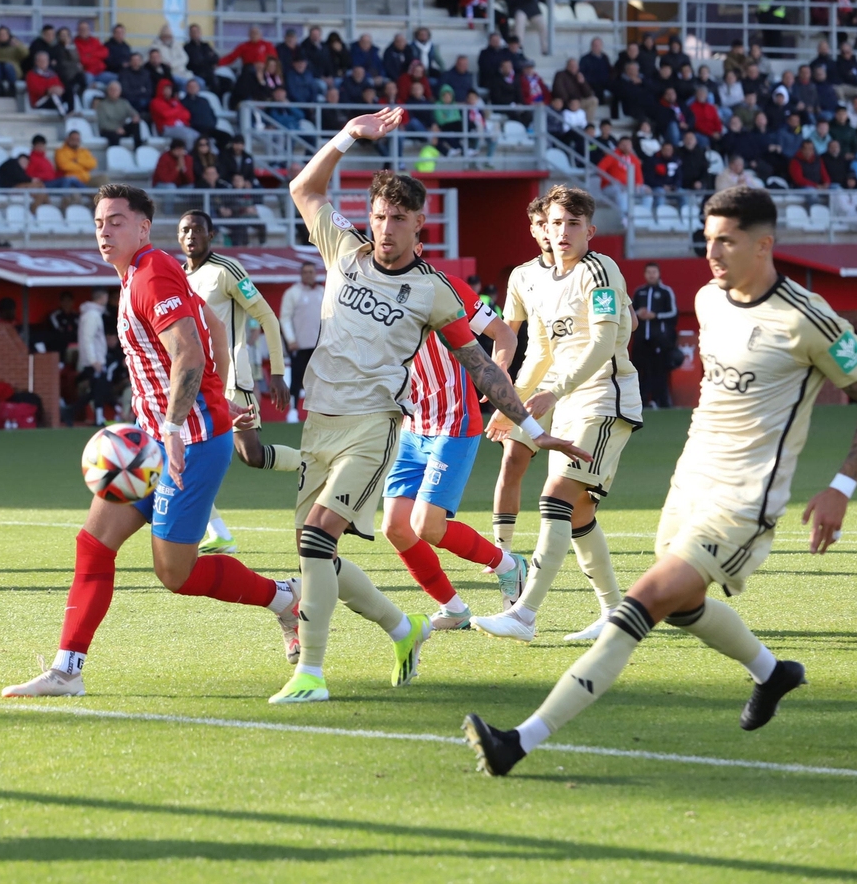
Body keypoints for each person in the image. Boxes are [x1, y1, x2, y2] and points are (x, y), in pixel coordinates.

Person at [465, 188, 857, 776]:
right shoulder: (708, 300)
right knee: (686, 607)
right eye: (708, 237)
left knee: (642, 604)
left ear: (764, 244)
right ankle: (773, 673)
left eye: (727, 240)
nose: (711, 250)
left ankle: (518, 740)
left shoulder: (807, 316)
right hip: (687, 485)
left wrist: (842, 487)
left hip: (745, 501)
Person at [272, 108, 586, 705]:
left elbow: (483, 362)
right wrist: (346, 138)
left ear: (422, 226)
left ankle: (311, 673)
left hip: (382, 426)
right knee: (322, 551)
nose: (386, 228)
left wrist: (528, 424)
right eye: (380, 216)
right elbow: (304, 189)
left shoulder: (438, 290)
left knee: (332, 539)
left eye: (400, 219)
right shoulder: (344, 248)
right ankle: (404, 625)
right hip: (322, 422)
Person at [1, 184, 301, 699]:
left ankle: (284, 598)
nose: (104, 230)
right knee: (93, 544)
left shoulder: (151, 272)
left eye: (117, 220)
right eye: (99, 222)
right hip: (159, 442)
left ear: (143, 226)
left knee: (174, 573)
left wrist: (180, 423)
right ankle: (66, 671)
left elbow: (186, 350)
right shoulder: (141, 273)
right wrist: (216, 392)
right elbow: (210, 327)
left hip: (191, 444)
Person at [472, 186, 643, 645]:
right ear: (541, 229)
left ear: (590, 229)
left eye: (572, 224)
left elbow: (605, 344)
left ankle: (524, 614)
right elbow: (542, 351)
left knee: (556, 496)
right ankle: (615, 613)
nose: (562, 232)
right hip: (567, 403)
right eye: (555, 223)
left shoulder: (600, 269)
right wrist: (515, 403)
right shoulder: (537, 279)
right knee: (580, 511)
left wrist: (553, 391)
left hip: (604, 398)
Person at [380, 248, 527, 631]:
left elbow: (504, 334)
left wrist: (499, 372)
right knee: (395, 527)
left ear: (417, 243)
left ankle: (508, 564)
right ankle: (456, 609)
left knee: (428, 526)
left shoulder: (449, 288)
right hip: (413, 427)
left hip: (456, 421)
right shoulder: (375, 294)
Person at [178, 210, 296, 556]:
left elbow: (268, 317)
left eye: (197, 230)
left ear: (211, 235)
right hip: (198, 382)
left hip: (231, 380)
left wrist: (277, 371)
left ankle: (316, 465)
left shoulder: (226, 271)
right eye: (185, 230)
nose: (190, 236)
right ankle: (217, 532)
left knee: (253, 455)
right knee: (183, 455)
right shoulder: (179, 276)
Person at [631, 262, 679, 409]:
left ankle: (662, 403)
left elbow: (673, 313)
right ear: (645, 275)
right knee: (638, 372)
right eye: (649, 272)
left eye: (654, 272)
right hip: (640, 339)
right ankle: (640, 403)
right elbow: (631, 313)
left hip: (659, 340)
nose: (651, 275)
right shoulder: (639, 292)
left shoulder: (666, 291)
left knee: (659, 372)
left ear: (659, 274)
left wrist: (655, 315)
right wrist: (639, 313)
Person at [279, 260, 322, 412]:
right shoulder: (292, 293)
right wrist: (291, 340)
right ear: (301, 274)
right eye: (306, 272)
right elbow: (284, 318)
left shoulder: (322, 292)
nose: (309, 275)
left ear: (316, 274)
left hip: (320, 345)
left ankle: (320, 409)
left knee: (320, 379)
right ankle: (293, 410)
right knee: (297, 378)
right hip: (300, 344)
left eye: (311, 272)